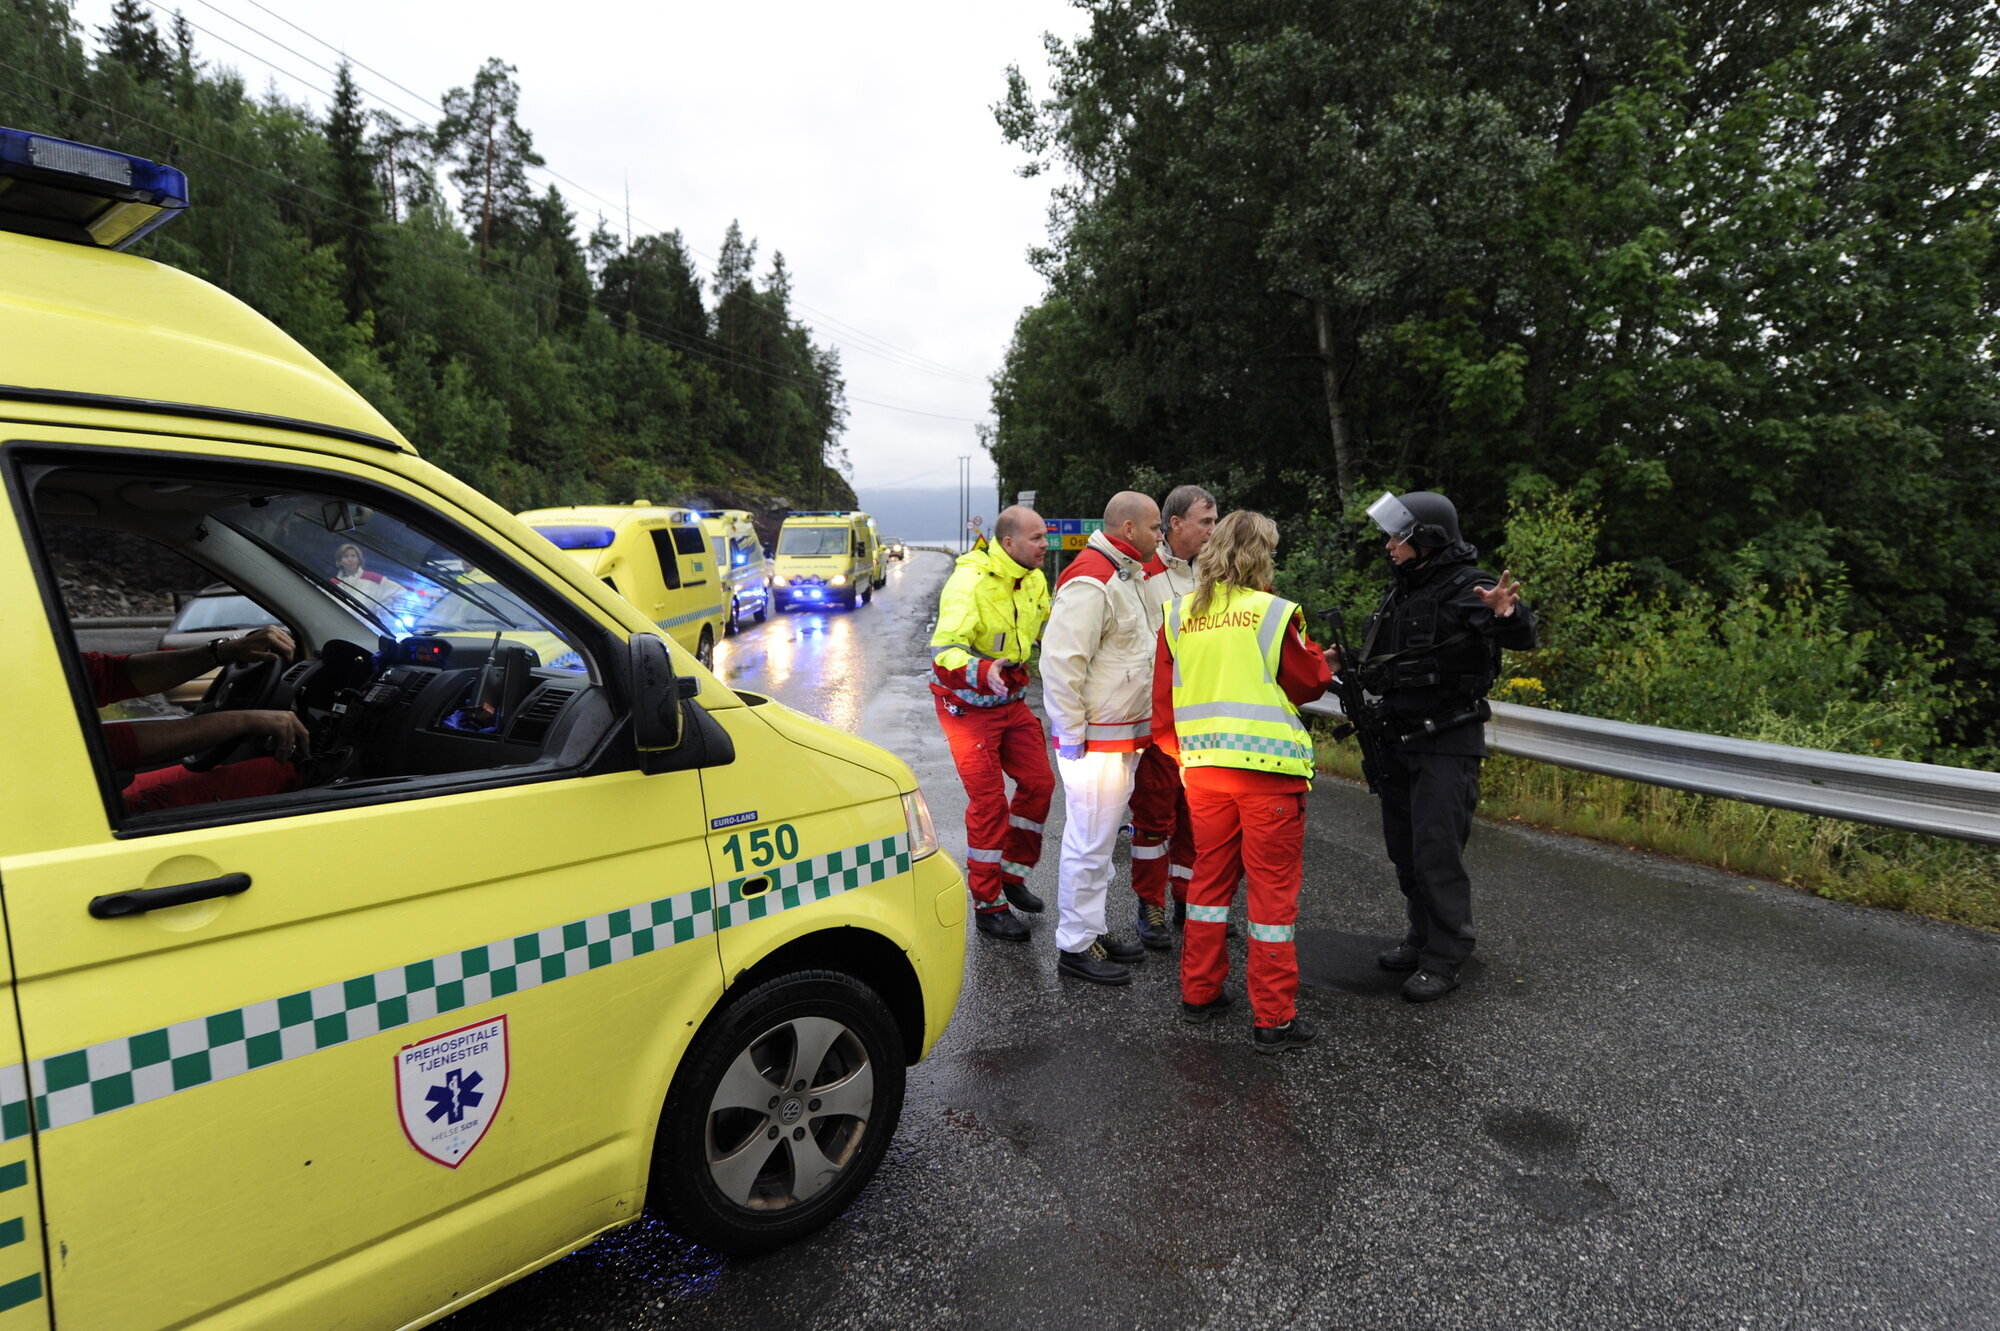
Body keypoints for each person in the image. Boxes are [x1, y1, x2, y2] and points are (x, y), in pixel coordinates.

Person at [1154, 510, 1331, 1052]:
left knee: (1208, 884)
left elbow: (1162, 709)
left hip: (1204, 773)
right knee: (1272, 899)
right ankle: (1272, 1018)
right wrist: (1321, 655)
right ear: (1263, 556)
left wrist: (1188, 760)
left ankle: (1199, 993)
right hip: (1270, 779)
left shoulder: (1179, 614)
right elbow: (1310, 683)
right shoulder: (1273, 613)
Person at [1354, 490, 1536, 1003]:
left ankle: (1445, 956)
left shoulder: (1468, 587)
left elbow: (1522, 632)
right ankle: (1421, 937)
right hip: (1397, 740)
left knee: (1437, 854)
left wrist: (1507, 613)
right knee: (1406, 852)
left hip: (1445, 743)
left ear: (1426, 539)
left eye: (1398, 537)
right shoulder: (1403, 590)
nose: (1389, 545)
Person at [1042, 491, 1162, 984]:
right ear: (1129, 529)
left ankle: (1091, 929)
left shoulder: (1124, 575)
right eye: (1156, 527)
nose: (1162, 536)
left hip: (1117, 733)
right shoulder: (1095, 578)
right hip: (1095, 739)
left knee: (1098, 839)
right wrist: (1070, 734)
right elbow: (1061, 662)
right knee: (1090, 842)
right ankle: (1075, 944)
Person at [929, 505, 1055, 942]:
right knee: (989, 804)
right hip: (968, 708)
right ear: (1009, 543)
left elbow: (1049, 629)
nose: (1046, 544)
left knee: (1040, 784)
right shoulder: (969, 582)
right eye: (1037, 537)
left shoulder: (1035, 578)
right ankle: (988, 904)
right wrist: (983, 672)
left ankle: (1012, 874)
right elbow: (944, 651)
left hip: (1012, 699)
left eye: (1045, 536)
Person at [88, 625, 311, 812]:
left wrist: (221, 652)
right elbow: (105, 747)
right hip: (91, 812)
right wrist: (243, 721)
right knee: (278, 774)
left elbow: (110, 675)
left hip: (91, 788)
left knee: (200, 772)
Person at [1129, 483, 1217, 947]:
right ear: (1175, 524)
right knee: (1153, 817)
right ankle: (1151, 903)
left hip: (1202, 718)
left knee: (1196, 817)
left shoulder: (1214, 574)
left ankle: (1186, 897)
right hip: (1158, 717)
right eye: (1205, 521)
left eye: (1215, 521)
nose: (1212, 530)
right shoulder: (1143, 574)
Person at [332, 542, 405, 610]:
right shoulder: (332, 584)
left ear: (359, 559)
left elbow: (401, 593)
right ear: (340, 561)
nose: (350, 559)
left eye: (353, 556)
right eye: (346, 556)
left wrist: (379, 609)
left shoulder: (373, 578)